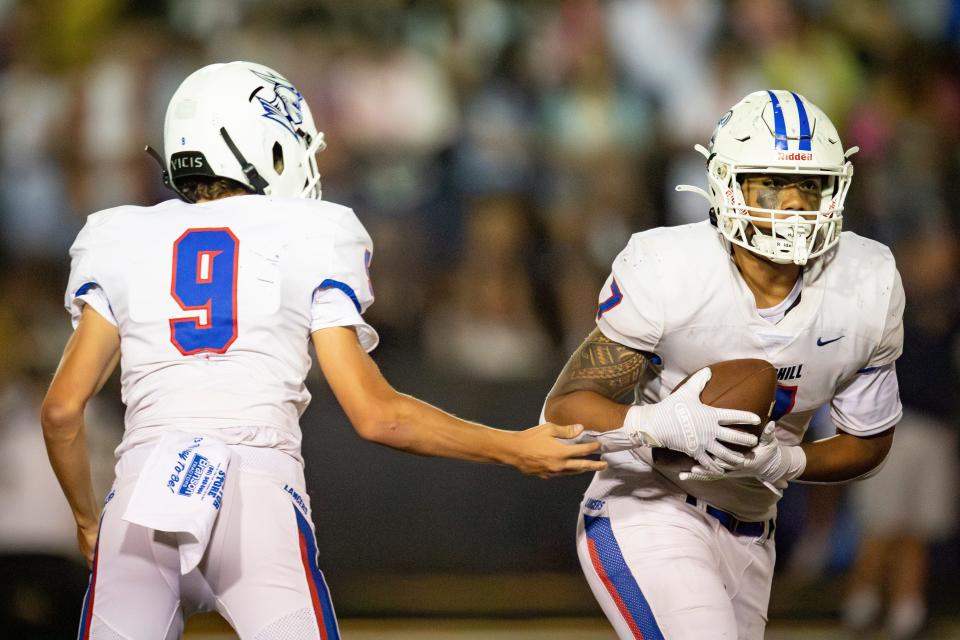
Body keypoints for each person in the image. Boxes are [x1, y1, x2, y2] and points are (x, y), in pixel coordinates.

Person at [40, 61, 604, 640]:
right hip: (253, 492)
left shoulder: (119, 237)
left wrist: (89, 520)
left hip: (143, 493)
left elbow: (60, 412)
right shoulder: (312, 232)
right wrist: (512, 447)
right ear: (264, 143)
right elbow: (377, 414)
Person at [543, 90, 903, 639]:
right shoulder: (669, 267)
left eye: (808, 185)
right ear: (727, 184)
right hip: (648, 506)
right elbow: (564, 409)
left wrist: (786, 463)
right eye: (771, 183)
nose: (791, 205)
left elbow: (870, 440)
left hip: (754, 530)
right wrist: (657, 423)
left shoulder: (867, 281)